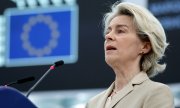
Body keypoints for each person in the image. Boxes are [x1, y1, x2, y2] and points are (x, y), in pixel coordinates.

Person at [86, 1, 174, 108]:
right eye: (108, 31)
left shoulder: (156, 93)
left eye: (120, 31)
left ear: (145, 47)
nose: (108, 36)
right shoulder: (93, 103)